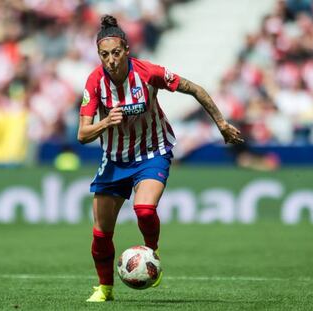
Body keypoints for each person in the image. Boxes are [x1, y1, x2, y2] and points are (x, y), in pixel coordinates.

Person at [78, 15, 244, 302]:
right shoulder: (94, 82)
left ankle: (151, 251)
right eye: (104, 55)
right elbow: (83, 134)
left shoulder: (148, 72)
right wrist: (105, 123)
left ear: (127, 50)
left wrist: (221, 123)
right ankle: (105, 289)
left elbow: (195, 89)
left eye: (116, 53)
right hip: (115, 159)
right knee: (101, 233)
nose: (111, 60)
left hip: (152, 152)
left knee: (144, 209)